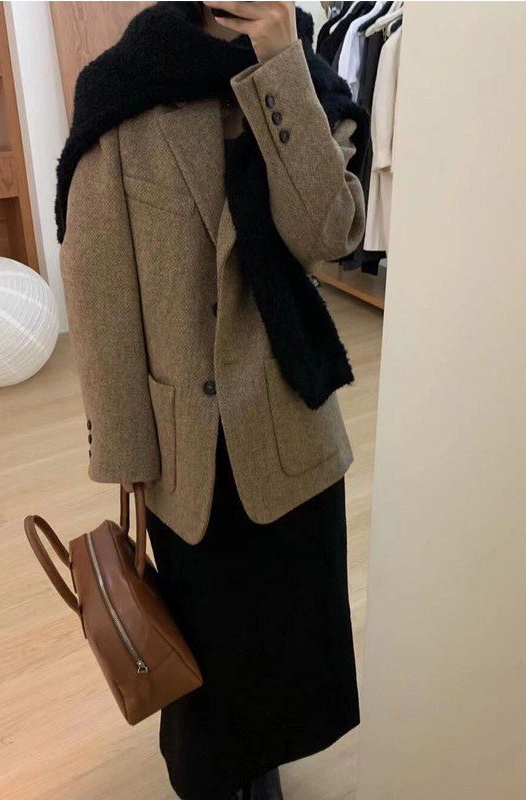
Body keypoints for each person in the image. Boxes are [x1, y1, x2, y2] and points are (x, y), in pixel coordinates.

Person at [56, 3, 366, 798]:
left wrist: (280, 64)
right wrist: (127, 448)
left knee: (293, 638)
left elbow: (329, 235)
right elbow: (99, 290)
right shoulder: (122, 88)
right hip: (187, 444)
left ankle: (263, 767)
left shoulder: (308, 79)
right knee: (210, 652)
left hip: (290, 420)